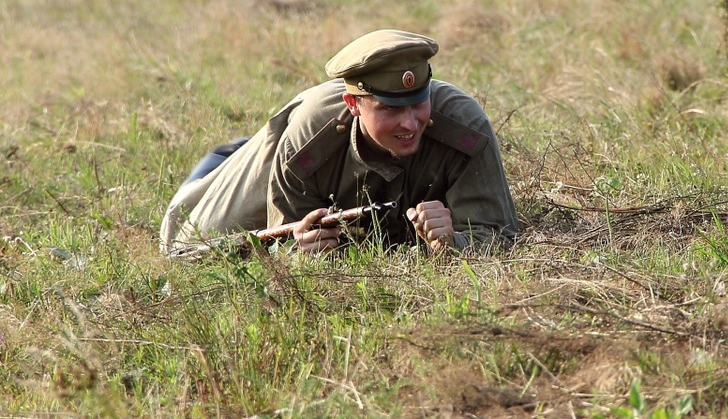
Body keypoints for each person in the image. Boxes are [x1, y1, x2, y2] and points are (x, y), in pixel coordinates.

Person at [160, 29, 518, 255]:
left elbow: (498, 234)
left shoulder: (466, 130)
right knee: (184, 239)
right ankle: (226, 156)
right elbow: (286, 235)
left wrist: (452, 242)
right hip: (289, 139)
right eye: (390, 109)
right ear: (354, 104)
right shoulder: (307, 142)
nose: (410, 123)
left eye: (417, 103)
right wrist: (301, 248)